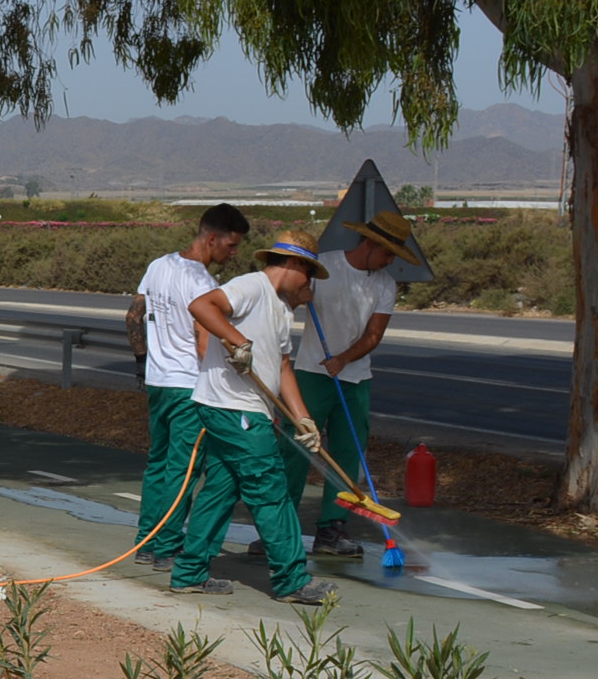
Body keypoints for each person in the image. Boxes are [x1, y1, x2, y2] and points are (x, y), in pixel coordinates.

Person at [166, 234, 336, 609]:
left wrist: (302, 418)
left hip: (243, 408)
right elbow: (202, 305)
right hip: (234, 407)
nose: (308, 287)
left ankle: (189, 572)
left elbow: (284, 367)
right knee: (269, 489)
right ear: (294, 265)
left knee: (221, 490)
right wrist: (237, 342)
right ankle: (292, 579)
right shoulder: (252, 286)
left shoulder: (281, 308)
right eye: (309, 276)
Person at [286, 208, 417, 553]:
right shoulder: (323, 267)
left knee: (347, 454)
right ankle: (279, 527)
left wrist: (344, 359)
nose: (390, 260)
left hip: (354, 379)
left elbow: (374, 335)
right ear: (371, 243)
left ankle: (332, 529)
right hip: (311, 374)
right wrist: (300, 297)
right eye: (388, 252)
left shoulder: (385, 285)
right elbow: (284, 298)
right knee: (298, 448)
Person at [125, 203, 248, 563]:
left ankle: (146, 542)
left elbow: (134, 315)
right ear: (212, 238)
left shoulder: (159, 265)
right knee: (184, 468)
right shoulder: (203, 284)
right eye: (231, 245)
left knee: (159, 462)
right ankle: (166, 546)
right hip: (188, 386)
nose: (234, 253)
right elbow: (203, 341)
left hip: (158, 381)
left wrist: (142, 363)